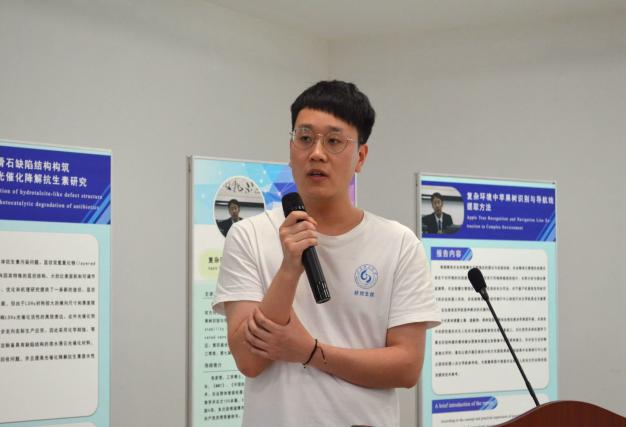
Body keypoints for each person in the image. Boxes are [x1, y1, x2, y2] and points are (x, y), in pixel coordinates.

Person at [213, 80, 441, 427]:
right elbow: (249, 361)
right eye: (305, 138)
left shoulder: (398, 243)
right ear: (291, 148)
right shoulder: (249, 236)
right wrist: (289, 268)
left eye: (334, 141)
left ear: (360, 157)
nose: (316, 153)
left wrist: (309, 351)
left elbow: (407, 367)